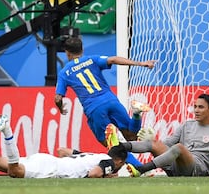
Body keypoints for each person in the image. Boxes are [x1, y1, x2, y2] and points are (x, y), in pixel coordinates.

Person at [54, 36, 155, 166]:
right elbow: (113, 59)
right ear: (82, 49)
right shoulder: (92, 60)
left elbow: (58, 98)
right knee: (132, 136)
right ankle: (136, 114)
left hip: (94, 109)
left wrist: (60, 107)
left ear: (67, 53)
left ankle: (141, 168)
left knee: (112, 145)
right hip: (111, 101)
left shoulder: (64, 72)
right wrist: (140, 63)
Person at [0, 114, 127, 178]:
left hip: (47, 161)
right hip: (50, 169)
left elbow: (63, 151)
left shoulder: (92, 155)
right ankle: (7, 130)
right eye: (121, 165)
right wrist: (107, 177)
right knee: (14, 171)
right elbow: (95, 173)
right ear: (119, 160)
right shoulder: (109, 161)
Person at [106, 94, 209, 177]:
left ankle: (141, 169)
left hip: (197, 170)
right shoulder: (187, 125)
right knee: (155, 143)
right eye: (195, 106)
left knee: (179, 148)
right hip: (177, 167)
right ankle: (119, 146)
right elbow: (166, 145)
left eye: (200, 107)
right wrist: (153, 141)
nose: (196, 110)